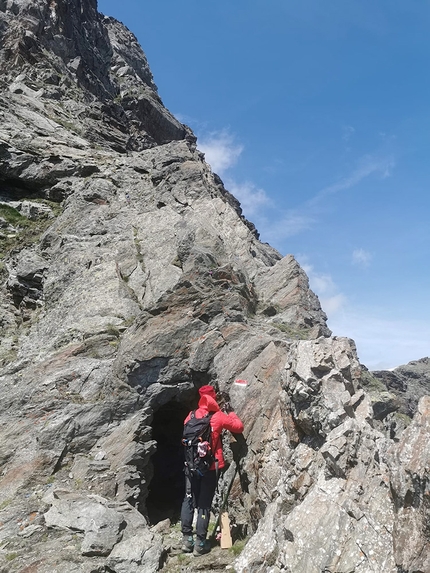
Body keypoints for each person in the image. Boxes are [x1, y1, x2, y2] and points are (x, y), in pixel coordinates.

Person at [180, 385, 244, 556]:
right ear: (213, 397)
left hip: (190, 466)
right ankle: (200, 543)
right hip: (209, 468)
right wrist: (230, 413)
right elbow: (238, 427)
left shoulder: (190, 416)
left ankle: (187, 540)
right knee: (204, 504)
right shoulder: (217, 417)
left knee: (188, 500)